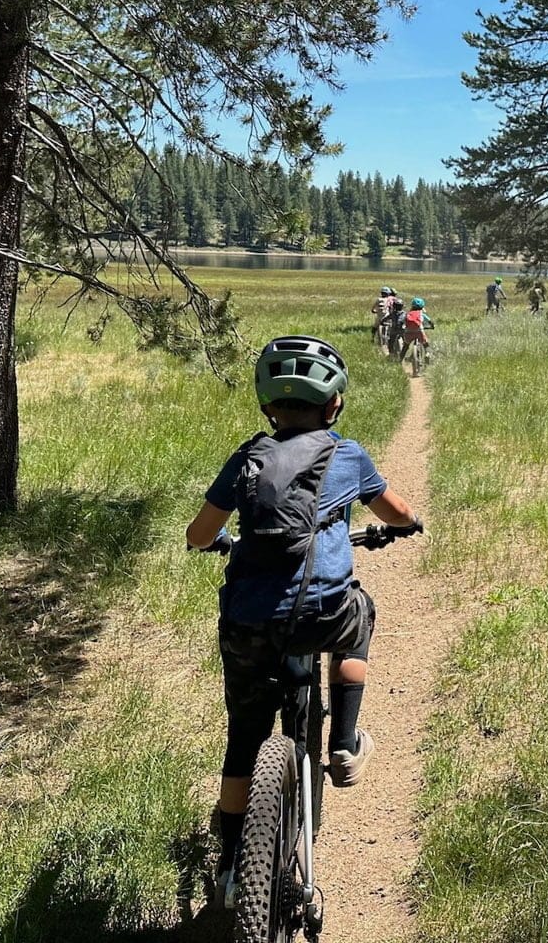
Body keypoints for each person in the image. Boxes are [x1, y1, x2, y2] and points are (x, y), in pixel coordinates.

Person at [185, 336, 422, 889]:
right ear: (334, 403)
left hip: (249, 621)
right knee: (358, 613)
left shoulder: (246, 459)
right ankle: (343, 742)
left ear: (267, 405)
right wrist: (406, 525)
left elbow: (199, 535)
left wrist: (220, 540)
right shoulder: (349, 455)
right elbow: (399, 510)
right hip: (322, 613)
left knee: (244, 735)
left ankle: (226, 866)